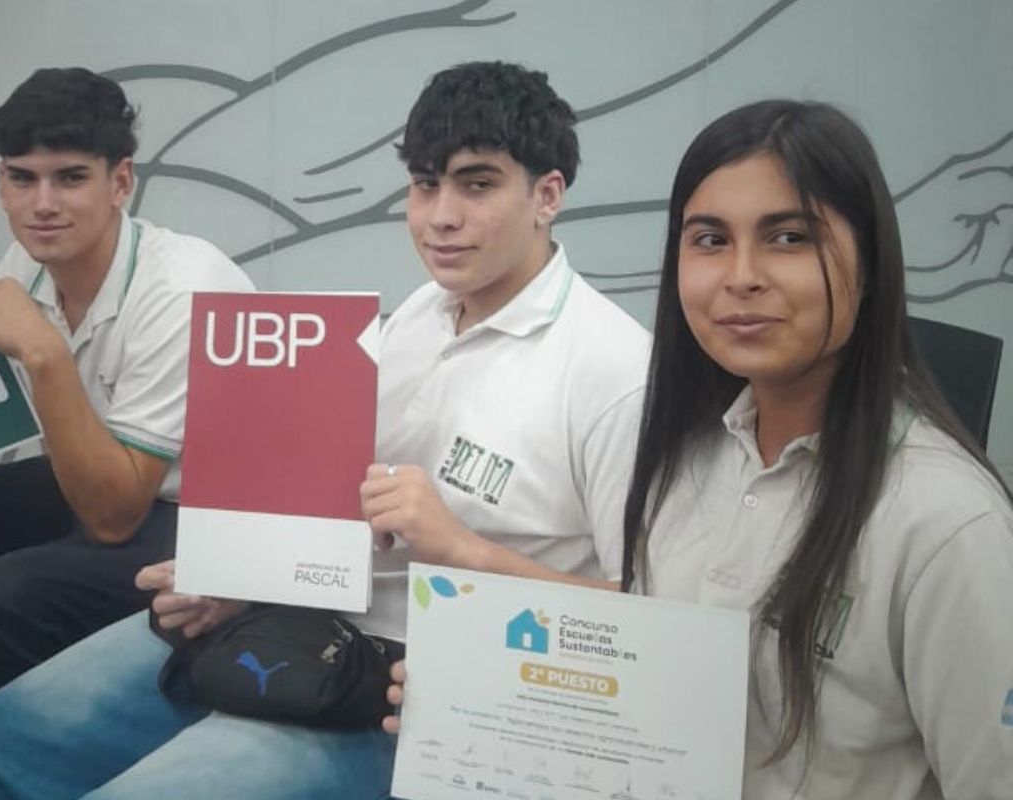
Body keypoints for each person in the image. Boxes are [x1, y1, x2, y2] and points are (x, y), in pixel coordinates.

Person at [0, 61, 651, 799]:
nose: (440, 216)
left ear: (546, 195)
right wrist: (240, 584)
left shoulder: (612, 371)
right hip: (294, 627)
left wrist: (464, 551)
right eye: (425, 184)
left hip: (429, 695)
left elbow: (651, 624)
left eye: (477, 185)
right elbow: (333, 519)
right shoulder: (414, 319)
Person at [391, 99, 1013, 797]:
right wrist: (478, 699)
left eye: (788, 238)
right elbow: (641, 688)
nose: (741, 276)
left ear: (868, 257)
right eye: (710, 240)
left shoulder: (947, 525)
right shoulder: (684, 463)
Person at [0, 67, 253, 799]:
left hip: (214, 520)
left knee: (14, 589)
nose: (42, 205)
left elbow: (112, 517)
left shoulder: (185, 287)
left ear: (120, 182)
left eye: (69, 178)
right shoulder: (26, 265)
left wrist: (43, 353)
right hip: (114, 480)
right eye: (21, 178)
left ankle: (23, 778)